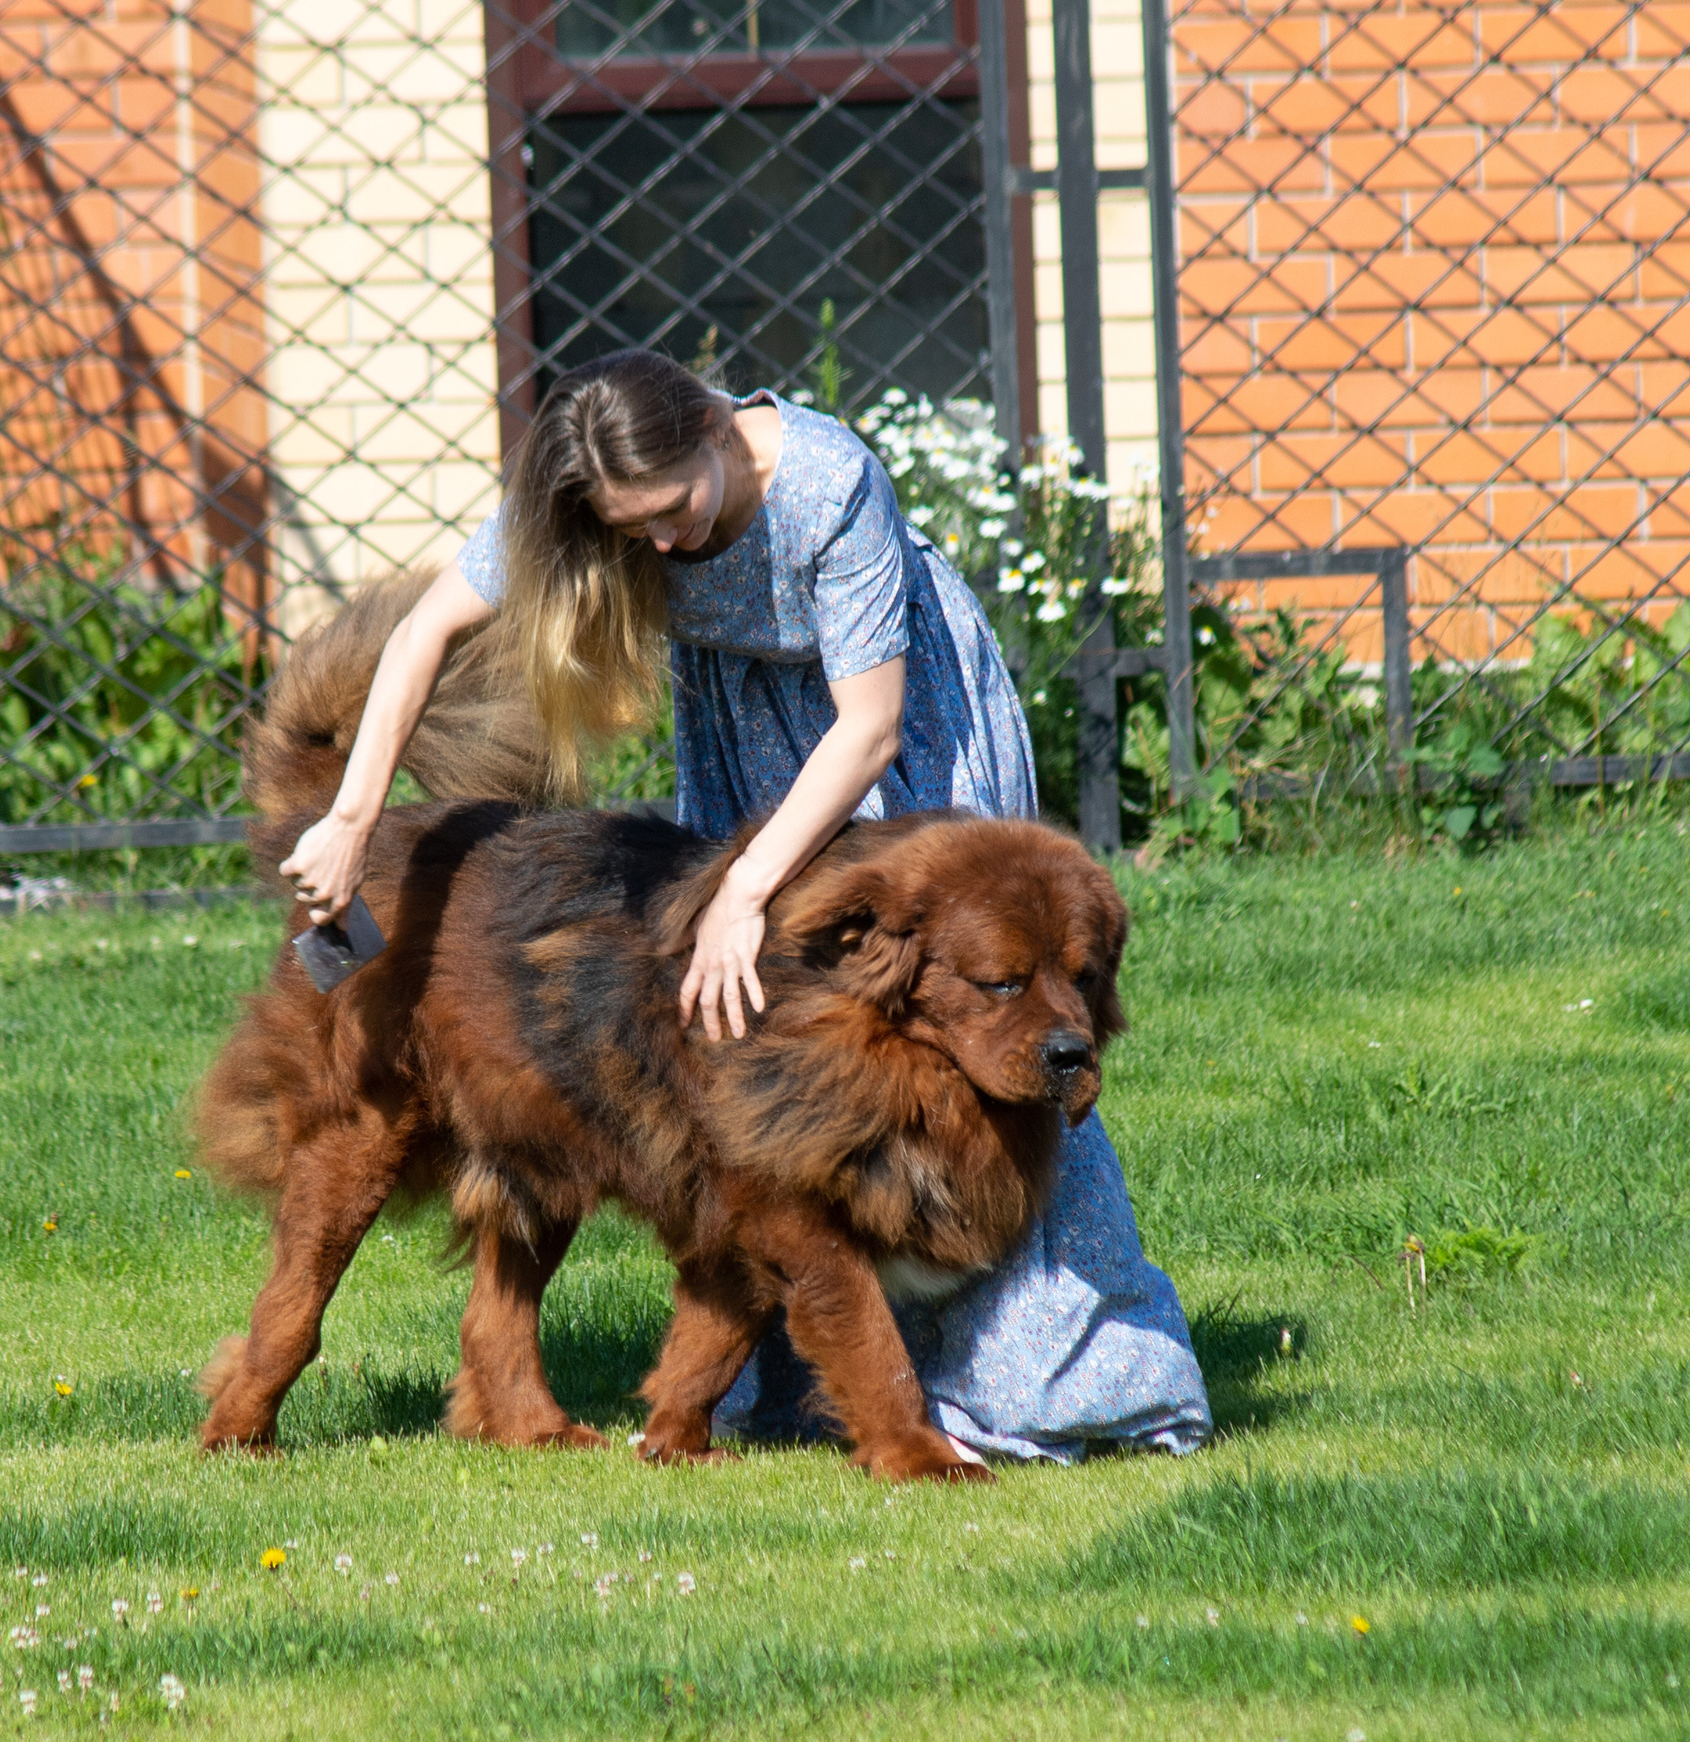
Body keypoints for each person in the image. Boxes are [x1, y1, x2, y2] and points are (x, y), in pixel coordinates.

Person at [280, 348, 1210, 1464]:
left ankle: (1061, 1375)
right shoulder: (611, 494)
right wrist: (350, 817)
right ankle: (804, 1384)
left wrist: (746, 890)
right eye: (632, 530)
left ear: (716, 430)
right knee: (767, 1082)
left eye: (674, 509)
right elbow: (425, 631)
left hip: (900, 745)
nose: (664, 545)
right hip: (750, 753)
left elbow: (868, 730)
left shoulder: (826, 481)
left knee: (995, 1031)